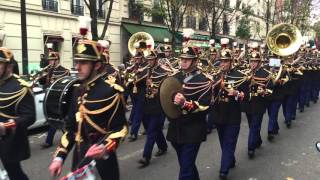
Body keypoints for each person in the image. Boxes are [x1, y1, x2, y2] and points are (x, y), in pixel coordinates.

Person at [48, 38, 128, 180]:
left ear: (97, 65)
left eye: (83, 63)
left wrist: (105, 147)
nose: (77, 67)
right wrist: (59, 157)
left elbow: (121, 129)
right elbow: (71, 129)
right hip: (79, 161)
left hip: (103, 163)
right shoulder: (77, 91)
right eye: (77, 62)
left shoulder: (111, 92)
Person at [166, 46, 212, 180]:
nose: (183, 62)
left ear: (195, 61)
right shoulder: (175, 76)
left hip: (193, 129)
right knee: (187, 165)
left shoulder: (204, 80)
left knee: (185, 170)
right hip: (176, 127)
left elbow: (205, 106)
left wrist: (185, 103)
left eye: (187, 59)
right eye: (182, 59)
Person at [211, 40, 249, 179]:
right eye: (221, 61)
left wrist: (237, 94)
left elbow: (247, 96)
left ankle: (223, 170)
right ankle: (230, 160)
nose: (222, 64)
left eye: (226, 61)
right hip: (219, 114)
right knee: (223, 141)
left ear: (231, 62)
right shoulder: (215, 76)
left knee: (229, 142)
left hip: (233, 115)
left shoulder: (240, 76)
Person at [0, 47, 36, 180]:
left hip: (11, 140)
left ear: (9, 66)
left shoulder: (21, 88)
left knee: (15, 173)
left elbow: (29, 117)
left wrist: (5, 127)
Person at [138, 50, 171, 168]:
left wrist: (159, 91)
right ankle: (163, 146)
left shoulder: (163, 71)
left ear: (156, 59)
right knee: (153, 129)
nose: (149, 62)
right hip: (147, 103)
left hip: (158, 104)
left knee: (151, 131)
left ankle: (146, 156)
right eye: (148, 60)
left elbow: (168, 86)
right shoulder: (147, 70)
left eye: (151, 60)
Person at [242, 46, 273, 158]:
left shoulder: (266, 74)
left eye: (255, 62)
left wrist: (263, 91)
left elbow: (270, 90)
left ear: (260, 62)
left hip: (259, 103)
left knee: (255, 125)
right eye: (252, 61)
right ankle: (258, 141)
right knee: (252, 125)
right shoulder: (245, 73)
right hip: (248, 103)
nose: (253, 64)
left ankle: (251, 148)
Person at [40, 46, 70, 149]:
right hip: (50, 98)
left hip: (61, 99)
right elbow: (46, 84)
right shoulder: (49, 71)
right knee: (56, 119)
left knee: (57, 119)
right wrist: (41, 78)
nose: (50, 62)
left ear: (57, 60)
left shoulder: (65, 71)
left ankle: (50, 141)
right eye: (50, 60)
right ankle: (69, 135)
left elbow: (67, 86)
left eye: (52, 60)